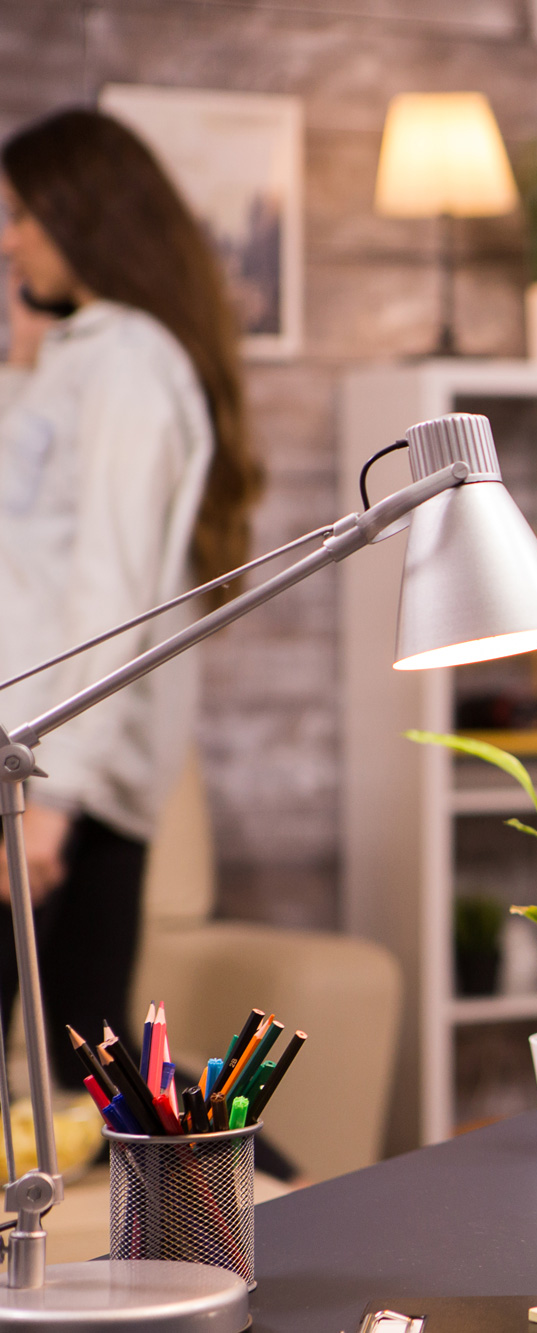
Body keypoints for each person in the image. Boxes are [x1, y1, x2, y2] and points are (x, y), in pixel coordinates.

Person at [0, 108, 263, 1092]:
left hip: (49, 773)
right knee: (88, 1068)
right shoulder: (85, 356)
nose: (9, 240)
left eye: (23, 214)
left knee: (88, 1068)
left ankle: (246, 1172)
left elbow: (111, 593)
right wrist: (26, 356)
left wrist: (50, 803)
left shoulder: (126, 364)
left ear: (85, 214)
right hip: (47, 764)